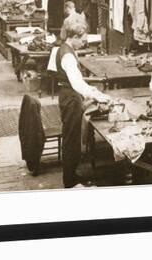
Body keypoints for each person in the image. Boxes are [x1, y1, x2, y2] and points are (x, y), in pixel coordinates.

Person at [55, 22, 111, 188]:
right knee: (71, 139)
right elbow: (77, 84)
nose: (84, 43)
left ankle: (73, 173)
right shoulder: (68, 55)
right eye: (83, 40)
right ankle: (70, 180)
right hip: (70, 98)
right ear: (73, 37)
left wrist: (91, 90)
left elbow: (78, 81)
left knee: (73, 138)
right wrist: (96, 95)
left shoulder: (65, 49)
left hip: (69, 95)